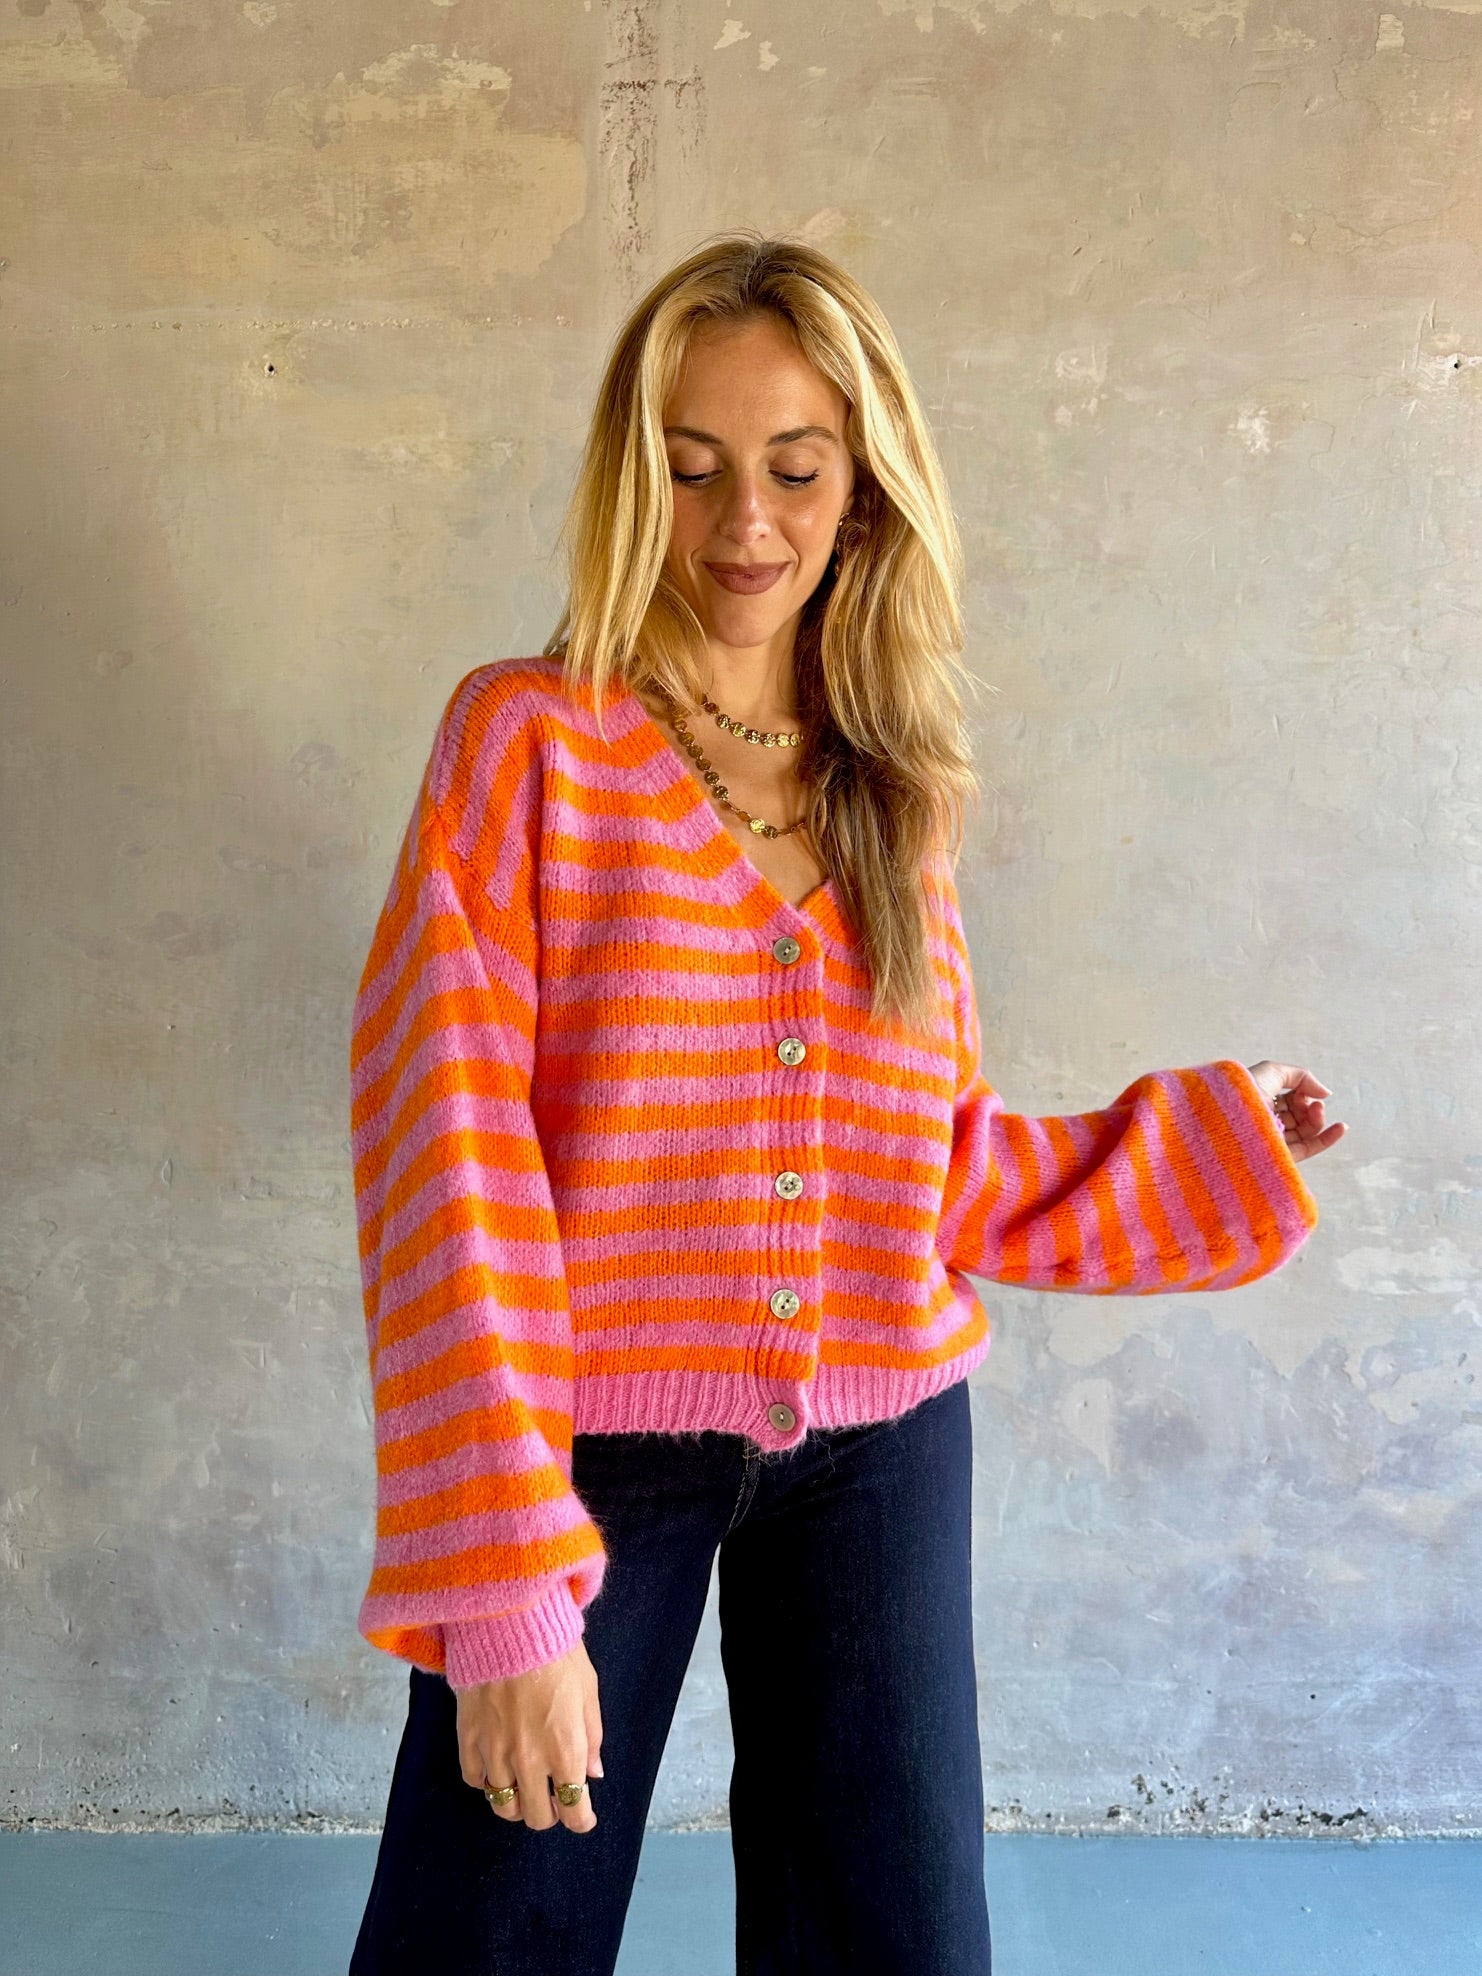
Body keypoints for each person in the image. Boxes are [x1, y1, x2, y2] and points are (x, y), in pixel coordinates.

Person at [345, 230, 1343, 1976]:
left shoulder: (894, 785)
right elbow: (447, 1159)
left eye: (796, 469)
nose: (745, 523)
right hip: (584, 1457)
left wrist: (1202, 1142)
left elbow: (919, 1166)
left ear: (864, 484)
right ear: (629, 479)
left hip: (881, 1445)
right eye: (691, 468)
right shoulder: (529, 743)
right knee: (492, 1934)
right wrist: (500, 1587)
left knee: (902, 1944)